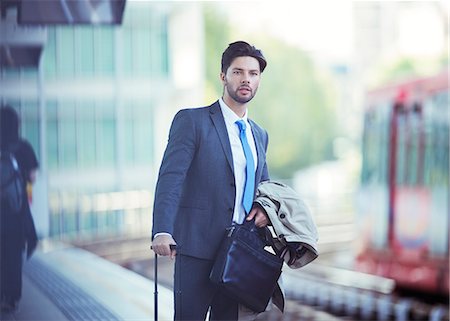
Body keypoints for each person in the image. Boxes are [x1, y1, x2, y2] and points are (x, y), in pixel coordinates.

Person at [151, 41, 271, 320]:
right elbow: (171, 178)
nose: (246, 79)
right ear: (223, 76)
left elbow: (264, 187)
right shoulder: (193, 121)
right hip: (195, 248)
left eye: (253, 74)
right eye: (238, 72)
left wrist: (265, 210)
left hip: (240, 253)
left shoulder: (259, 134)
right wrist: (162, 230)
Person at [0, 105, 39, 312]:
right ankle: (11, 298)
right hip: (17, 212)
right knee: (14, 255)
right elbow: (33, 176)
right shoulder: (22, 146)